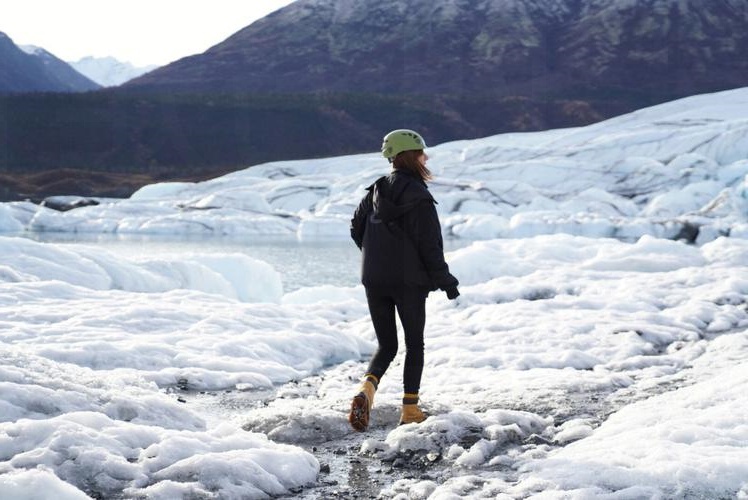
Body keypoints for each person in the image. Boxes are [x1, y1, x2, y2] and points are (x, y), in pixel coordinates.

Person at [348, 129, 460, 431]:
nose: (425, 157)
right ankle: (410, 409)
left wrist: (377, 255)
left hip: (374, 279)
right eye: (422, 152)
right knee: (414, 344)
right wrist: (446, 280)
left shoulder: (374, 192)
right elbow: (429, 246)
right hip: (409, 282)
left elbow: (356, 229)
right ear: (412, 156)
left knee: (386, 344)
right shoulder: (420, 197)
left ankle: (366, 389)